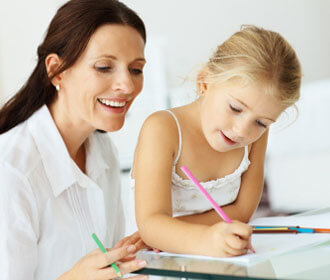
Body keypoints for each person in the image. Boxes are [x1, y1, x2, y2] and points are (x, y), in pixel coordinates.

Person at [0, 0, 149, 279]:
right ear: (57, 70)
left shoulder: (103, 150)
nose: (127, 86)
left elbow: (108, 266)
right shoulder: (10, 170)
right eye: (104, 67)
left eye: (136, 69)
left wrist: (130, 259)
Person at [132, 25, 302, 258]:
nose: (242, 130)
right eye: (235, 108)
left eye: (261, 123)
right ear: (204, 83)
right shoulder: (162, 129)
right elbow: (151, 225)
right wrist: (206, 238)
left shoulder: (254, 138)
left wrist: (170, 232)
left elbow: (243, 211)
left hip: (228, 260)